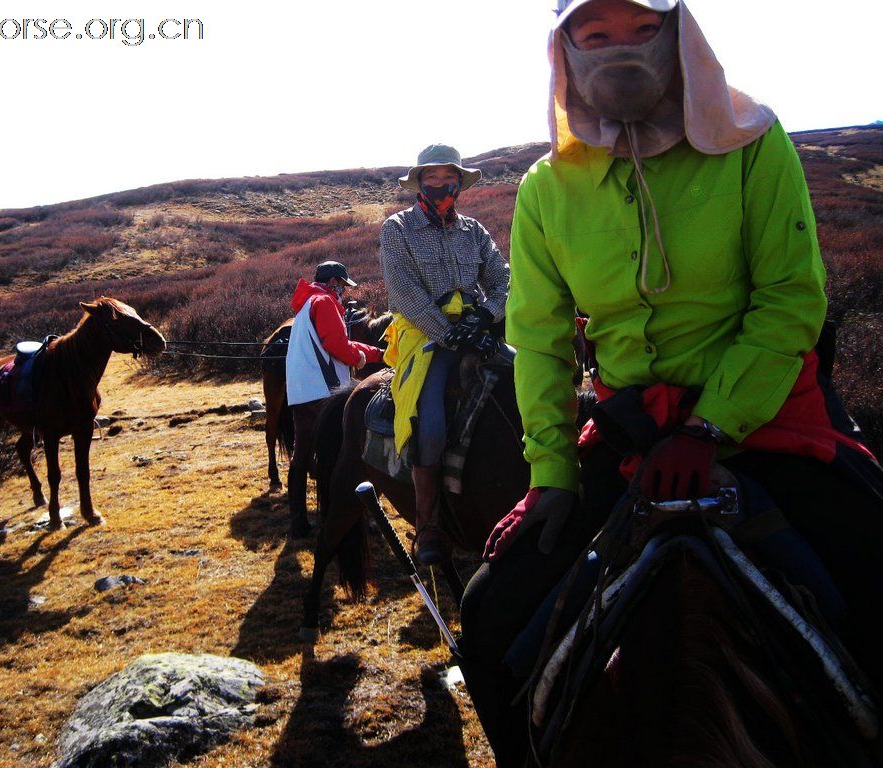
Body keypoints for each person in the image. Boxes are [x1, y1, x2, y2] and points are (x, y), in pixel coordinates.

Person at [458, 1, 883, 765]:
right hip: (631, 436)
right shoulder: (545, 190)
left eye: (642, 29)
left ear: (679, 35)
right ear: (566, 52)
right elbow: (544, 342)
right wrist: (549, 477)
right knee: (489, 612)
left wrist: (710, 425)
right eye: (595, 35)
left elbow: (790, 298)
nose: (618, 50)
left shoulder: (754, 144)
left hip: (768, 417)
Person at [379, 144, 511, 566]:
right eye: (430, 178)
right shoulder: (397, 229)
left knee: (529, 382)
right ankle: (429, 523)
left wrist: (487, 317)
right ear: (419, 184)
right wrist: (451, 334)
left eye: (446, 178)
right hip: (426, 335)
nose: (439, 185)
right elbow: (405, 294)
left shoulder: (474, 231)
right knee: (431, 421)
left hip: (479, 330)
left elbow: (505, 279)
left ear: (458, 182)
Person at [285, 260, 384, 537]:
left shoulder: (306, 304)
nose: (343, 291)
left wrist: (375, 352)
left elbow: (338, 342)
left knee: (301, 453)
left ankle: (298, 520)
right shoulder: (325, 303)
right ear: (332, 283)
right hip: (325, 390)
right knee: (348, 451)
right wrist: (361, 358)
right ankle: (353, 517)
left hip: (301, 390)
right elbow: (337, 346)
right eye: (342, 285)